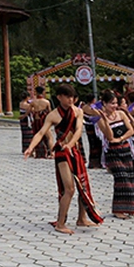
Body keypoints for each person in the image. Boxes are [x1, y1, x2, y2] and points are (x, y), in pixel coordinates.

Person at [24, 83, 104, 234]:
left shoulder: (78, 111)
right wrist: (30, 147)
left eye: (72, 97)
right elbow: (41, 133)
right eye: (67, 97)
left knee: (83, 186)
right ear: (59, 97)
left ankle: (81, 219)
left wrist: (72, 144)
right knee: (70, 188)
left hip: (75, 151)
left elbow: (79, 130)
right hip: (62, 153)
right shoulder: (53, 115)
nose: (70, 100)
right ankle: (61, 223)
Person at [96, 90, 134, 220]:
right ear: (104, 104)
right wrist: (105, 120)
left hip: (125, 149)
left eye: (115, 103)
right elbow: (109, 136)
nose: (114, 106)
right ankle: (118, 209)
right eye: (111, 103)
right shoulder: (100, 120)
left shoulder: (121, 114)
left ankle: (129, 208)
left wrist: (121, 138)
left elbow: (131, 130)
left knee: (129, 178)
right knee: (121, 178)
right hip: (112, 152)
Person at [81, 93, 106, 169]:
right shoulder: (93, 108)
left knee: (91, 144)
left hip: (88, 127)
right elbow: (100, 114)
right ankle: (96, 163)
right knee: (97, 144)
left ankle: (92, 162)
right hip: (95, 127)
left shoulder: (84, 107)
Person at [29, 85, 53, 159]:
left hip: (36, 120)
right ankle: (51, 153)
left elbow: (29, 111)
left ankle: (32, 152)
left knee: (35, 136)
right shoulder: (46, 102)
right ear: (43, 92)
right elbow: (50, 112)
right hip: (44, 120)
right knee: (49, 137)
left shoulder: (33, 102)